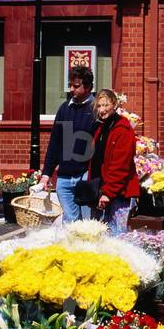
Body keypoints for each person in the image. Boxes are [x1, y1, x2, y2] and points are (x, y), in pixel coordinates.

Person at [40, 67, 96, 223]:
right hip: (64, 178)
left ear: (88, 86)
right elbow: (54, 143)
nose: (72, 89)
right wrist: (46, 174)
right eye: (70, 85)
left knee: (88, 224)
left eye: (76, 86)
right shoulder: (64, 109)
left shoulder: (96, 110)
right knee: (70, 224)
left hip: (85, 176)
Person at [88, 88, 140, 234]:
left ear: (115, 105)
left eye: (106, 105)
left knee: (117, 238)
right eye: (99, 106)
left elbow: (120, 166)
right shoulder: (101, 128)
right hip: (100, 190)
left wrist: (108, 193)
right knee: (98, 236)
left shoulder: (122, 129)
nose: (102, 110)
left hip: (118, 194)